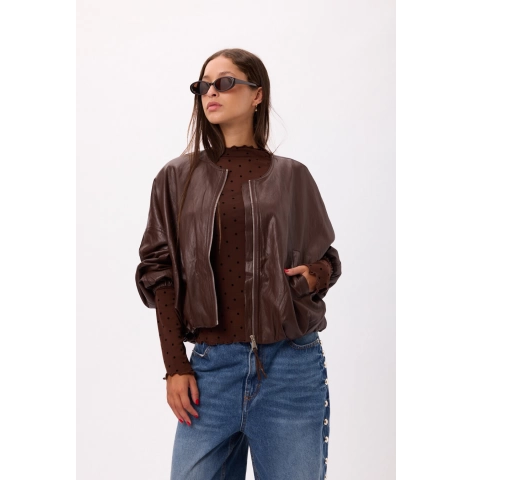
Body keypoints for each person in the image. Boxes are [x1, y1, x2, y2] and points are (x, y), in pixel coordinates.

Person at [136, 47, 341, 480]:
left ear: (256, 95)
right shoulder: (176, 177)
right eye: (203, 86)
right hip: (210, 372)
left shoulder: (292, 176)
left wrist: (313, 276)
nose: (211, 92)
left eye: (225, 82)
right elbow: (159, 273)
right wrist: (175, 365)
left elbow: (327, 258)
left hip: (290, 367)